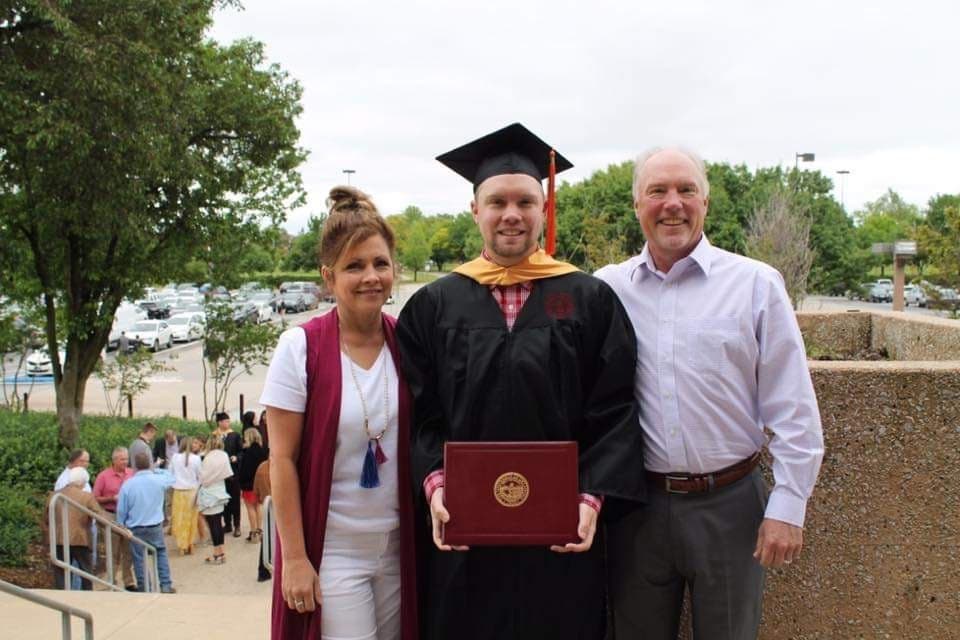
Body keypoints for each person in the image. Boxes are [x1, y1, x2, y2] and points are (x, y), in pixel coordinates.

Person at [395, 123, 645, 640]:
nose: (512, 214)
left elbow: (615, 410)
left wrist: (591, 498)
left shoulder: (588, 299)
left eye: (526, 201)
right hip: (465, 539)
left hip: (561, 539)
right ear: (475, 211)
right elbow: (422, 413)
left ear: (544, 209)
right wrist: (435, 485)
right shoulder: (433, 307)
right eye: (497, 202)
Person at [594, 146, 825, 640]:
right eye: (657, 191)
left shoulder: (756, 285)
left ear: (706, 202)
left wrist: (788, 504)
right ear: (637, 204)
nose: (672, 203)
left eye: (686, 190)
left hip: (731, 505)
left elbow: (793, 404)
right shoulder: (607, 289)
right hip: (638, 509)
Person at [261, 185, 418, 639]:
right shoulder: (301, 348)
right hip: (334, 550)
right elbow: (283, 461)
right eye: (354, 266)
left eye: (380, 263)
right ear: (328, 278)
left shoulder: (406, 343)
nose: (371, 276)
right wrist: (293, 557)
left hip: (395, 546)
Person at [116, 451, 176, 593]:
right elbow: (171, 477)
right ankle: (165, 584)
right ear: (149, 464)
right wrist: (156, 469)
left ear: (134, 466)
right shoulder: (158, 480)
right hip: (155, 525)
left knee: (139, 559)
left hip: (135, 526)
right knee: (160, 552)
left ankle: (145, 588)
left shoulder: (128, 485)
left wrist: (121, 524)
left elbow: (121, 509)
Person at [48, 467, 104, 590]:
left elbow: (46, 519)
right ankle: (86, 598)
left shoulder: (54, 495)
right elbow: (101, 516)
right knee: (86, 572)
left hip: (58, 538)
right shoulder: (86, 497)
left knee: (60, 572)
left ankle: (62, 599)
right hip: (81, 538)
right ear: (82, 482)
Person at [92, 446, 136, 590]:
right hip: (111, 514)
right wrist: (111, 498)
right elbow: (95, 497)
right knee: (113, 550)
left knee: (128, 550)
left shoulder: (131, 473)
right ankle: (111, 580)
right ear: (115, 460)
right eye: (122, 459)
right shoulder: (103, 476)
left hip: (129, 516)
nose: (125, 462)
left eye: (127, 459)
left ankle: (128, 580)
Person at [198, 434, 232, 565]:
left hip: (209, 493)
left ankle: (218, 554)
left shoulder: (208, 457)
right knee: (218, 523)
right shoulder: (224, 455)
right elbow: (228, 473)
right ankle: (221, 552)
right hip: (220, 491)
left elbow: (204, 478)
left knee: (213, 525)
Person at [170, 435, 202, 555]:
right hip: (192, 491)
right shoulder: (196, 459)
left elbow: (170, 473)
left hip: (178, 491)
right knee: (191, 519)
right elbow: (200, 476)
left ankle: (181, 545)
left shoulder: (175, 457)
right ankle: (190, 543)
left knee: (179, 519)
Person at [214, 412, 243, 537]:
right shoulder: (214, 436)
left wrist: (237, 457)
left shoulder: (235, 435)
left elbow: (242, 451)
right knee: (223, 500)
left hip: (233, 473)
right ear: (219, 423)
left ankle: (237, 525)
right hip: (220, 474)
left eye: (228, 421)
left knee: (235, 500)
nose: (228, 423)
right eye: (225, 421)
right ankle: (227, 524)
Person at [238, 427, 268, 543]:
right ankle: (260, 531)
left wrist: (241, 482)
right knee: (258, 506)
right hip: (260, 484)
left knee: (250, 508)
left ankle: (253, 532)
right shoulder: (262, 450)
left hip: (249, 484)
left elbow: (245, 470)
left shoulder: (248, 452)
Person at [253, 458, 272, 582]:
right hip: (285, 506)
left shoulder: (262, 467)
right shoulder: (290, 464)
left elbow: (256, 490)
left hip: (269, 506)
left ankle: (263, 571)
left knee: (267, 540)